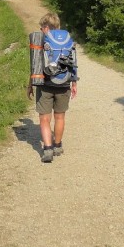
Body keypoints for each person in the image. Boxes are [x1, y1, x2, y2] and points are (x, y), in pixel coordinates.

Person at [26, 12, 78, 163]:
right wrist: (74, 83)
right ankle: (57, 146)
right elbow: (73, 63)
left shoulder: (42, 40)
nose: (41, 30)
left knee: (44, 118)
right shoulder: (67, 40)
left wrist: (30, 85)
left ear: (46, 27)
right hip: (65, 84)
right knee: (60, 116)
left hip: (45, 85)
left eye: (42, 27)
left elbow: (35, 66)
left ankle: (47, 149)